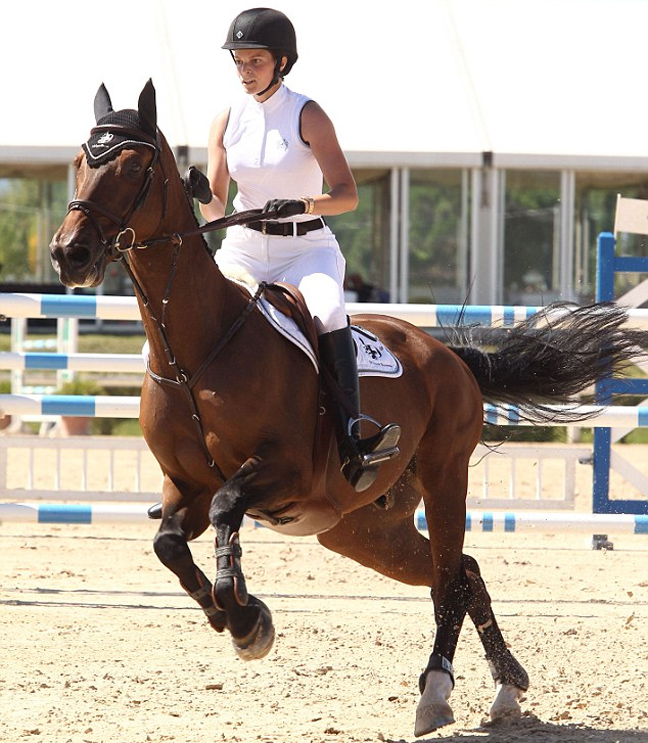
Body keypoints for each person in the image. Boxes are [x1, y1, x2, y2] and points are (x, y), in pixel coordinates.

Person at [192, 7, 400, 492]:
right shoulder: (225, 120)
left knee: (328, 312)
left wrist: (304, 202)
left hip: (306, 248)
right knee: (195, 314)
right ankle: (185, 455)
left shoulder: (308, 113)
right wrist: (203, 195)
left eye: (255, 61)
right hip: (243, 246)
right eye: (239, 61)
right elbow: (217, 209)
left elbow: (347, 194)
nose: (245, 71)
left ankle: (352, 437)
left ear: (282, 63)